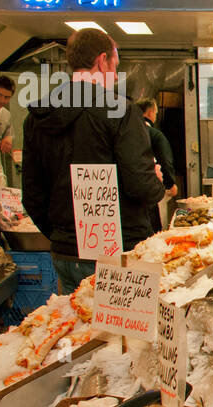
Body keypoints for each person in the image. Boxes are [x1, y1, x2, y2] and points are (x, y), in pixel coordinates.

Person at [22, 29, 166, 294]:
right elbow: (140, 186)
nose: (114, 75)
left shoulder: (36, 117)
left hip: (65, 254)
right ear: (102, 61)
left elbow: (32, 195)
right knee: (120, 336)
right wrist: (157, 183)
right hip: (118, 255)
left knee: (77, 334)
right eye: (115, 67)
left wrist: (64, 237)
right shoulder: (121, 111)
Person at [136, 98, 179, 230]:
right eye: (155, 113)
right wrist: (170, 183)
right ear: (150, 113)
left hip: (135, 191)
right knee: (158, 226)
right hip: (156, 189)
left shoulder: (128, 133)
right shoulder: (156, 135)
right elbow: (165, 160)